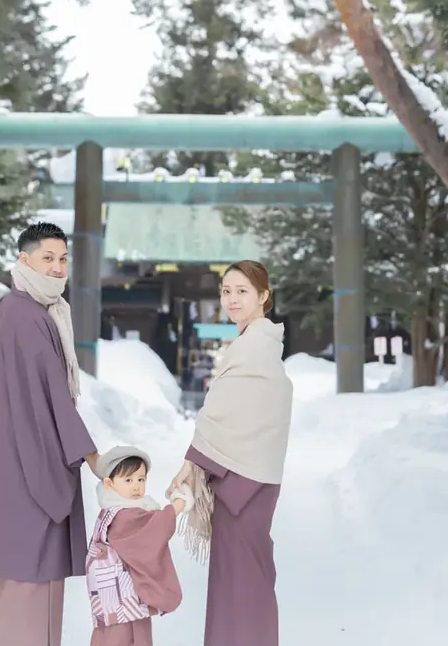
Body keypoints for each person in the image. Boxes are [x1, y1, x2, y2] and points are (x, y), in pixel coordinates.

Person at [0, 221, 101, 646]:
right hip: (30, 459)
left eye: (63, 259)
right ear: (25, 260)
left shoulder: (34, 310)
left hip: (25, 453)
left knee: (20, 578)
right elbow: (49, 391)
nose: (57, 268)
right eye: (48, 258)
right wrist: (88, 453)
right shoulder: (24, 313)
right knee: (31, 572)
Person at [166, 260, 293, 646]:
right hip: (243, 475)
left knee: (245, 580)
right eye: (227, 291)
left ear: (263, 296)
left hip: (246, 480)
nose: (232, 299)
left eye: (242, 291)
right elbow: (225, 413)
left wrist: (192, 462)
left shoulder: (256, 348)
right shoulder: (254, 344)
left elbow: (227, 415)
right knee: (241, 579)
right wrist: (195, 460)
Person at [87, 446, 190, 646]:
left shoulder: (110, 513)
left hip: (113, 603)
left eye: (141, 479)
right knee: (128, 639)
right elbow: (153, 530)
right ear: (109, 483)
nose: (136, 486)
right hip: (124, 604)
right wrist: (178, 504)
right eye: (128, 480)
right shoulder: (124, 515)